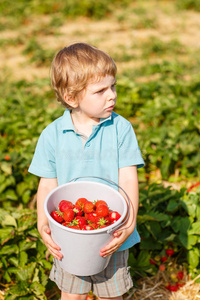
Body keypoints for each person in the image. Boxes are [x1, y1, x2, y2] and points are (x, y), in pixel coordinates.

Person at [28, 42, 144, 300]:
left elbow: (128, 176)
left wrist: (129, 221)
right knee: (71, 294)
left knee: (110, 295)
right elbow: (48, 184)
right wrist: (44, 221)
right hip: (69, 233)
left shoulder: (121, 129)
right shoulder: (52, 135)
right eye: (101, 90)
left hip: (111, 230)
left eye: (113, 86)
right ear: (72, 98)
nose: (112, 95)